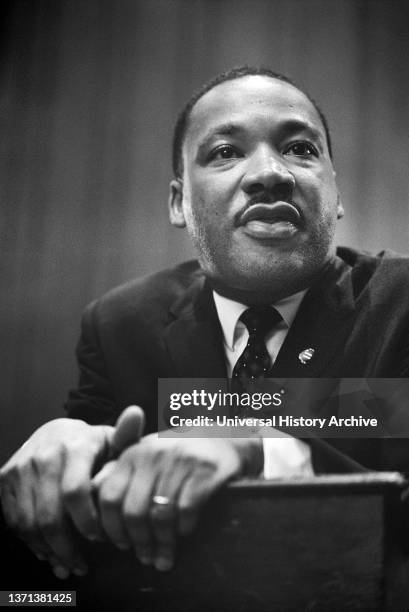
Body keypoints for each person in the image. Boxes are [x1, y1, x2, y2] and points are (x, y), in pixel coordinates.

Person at [2, 66, 409, 582]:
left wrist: (252, 447)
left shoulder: (401, 304)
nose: (271, 172)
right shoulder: (121, 325)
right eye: (225, 152)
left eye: (301, 149)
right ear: (179, 203)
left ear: (336, 194)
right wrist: (67, 444)